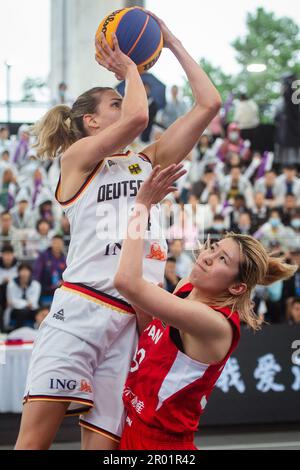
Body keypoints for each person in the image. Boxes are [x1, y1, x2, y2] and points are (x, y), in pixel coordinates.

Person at [15, 12, 221, 451]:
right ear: (91, 122)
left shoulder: (145, 161)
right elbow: (137, 118)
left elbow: (209, 105)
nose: (123, 103)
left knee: (106, 447)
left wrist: (173, 44)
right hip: (82, 310)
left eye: (122, 97)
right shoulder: (77, 161)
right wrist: (131, 67)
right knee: (34, 440)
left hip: (133, 318)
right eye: (114, 102)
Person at [114, 164, 297, 450]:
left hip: (161, 446)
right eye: (215, 248)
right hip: (128, 424)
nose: (209, 256)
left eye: (223, 259)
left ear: (237, 287)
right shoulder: (189, 285)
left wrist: (141, 206)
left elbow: (126, 281)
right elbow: (153, 332)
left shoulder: (214, 324)